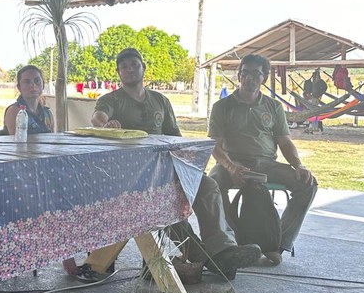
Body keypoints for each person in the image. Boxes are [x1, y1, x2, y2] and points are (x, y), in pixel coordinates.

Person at [90, 48, 261, 280]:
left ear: (143, 68)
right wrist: (105, 125)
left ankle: (222, 248)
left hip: (167, 167)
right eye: (124, 67)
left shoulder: (160, 100)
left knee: (208, 185)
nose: (129, 70)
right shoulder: (111, 99)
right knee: (164, 203)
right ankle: (206, 258)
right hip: (132, 176)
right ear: (118, 73)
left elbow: (176, 137)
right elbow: (97, 118)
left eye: (134, 65)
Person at [209, 54, 317, 265]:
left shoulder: (273, 107)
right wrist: (231, 167)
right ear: (238, 75)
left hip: (266, 163)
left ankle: (278, 243)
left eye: (256, 74)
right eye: (245, 73)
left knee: (308, 184)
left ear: (264, 78)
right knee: (212, 184)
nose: (249, 78)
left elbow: (285, 143)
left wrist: (299, 166)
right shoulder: (222, 107)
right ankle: (233, 243)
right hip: (232, 162)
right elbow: (214, 146)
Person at [1, 65, 54, 135]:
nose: (33, 85)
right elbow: (18, 142)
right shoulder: (15, 111)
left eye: (37, 81)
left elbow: (52, 139)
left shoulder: (47, 113)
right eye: (27, 82)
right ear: (19, 87)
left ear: (43, 85)